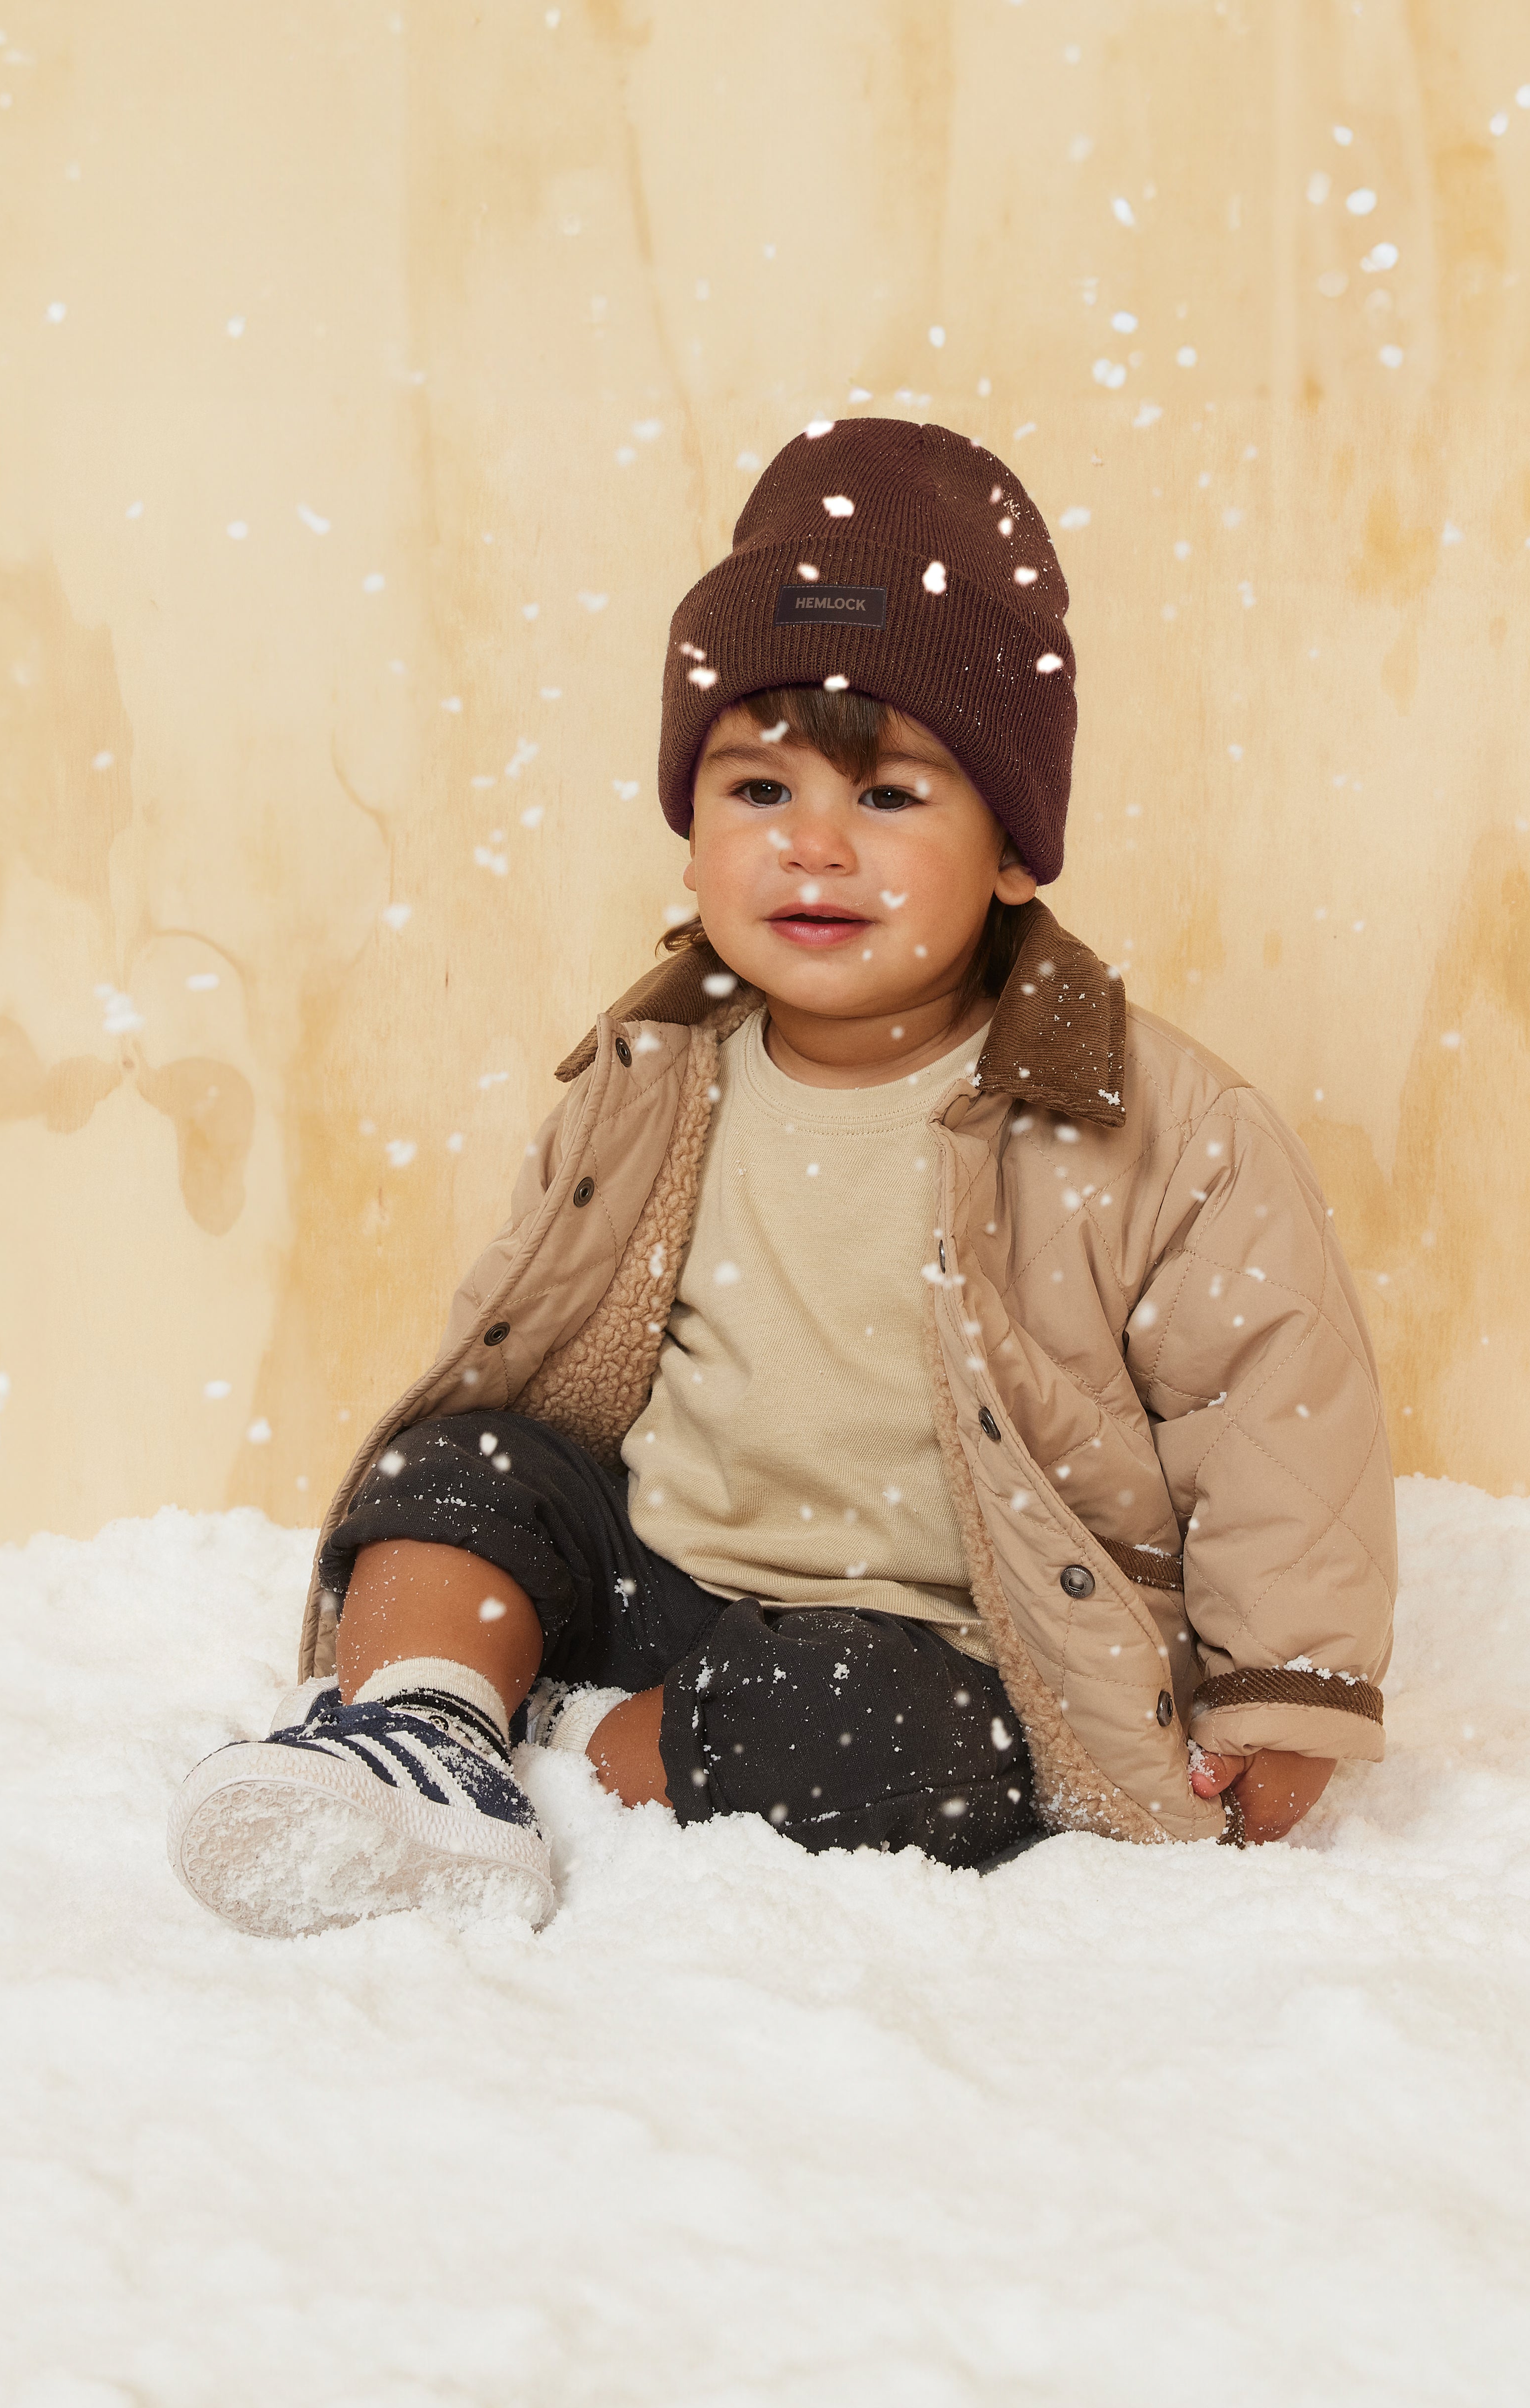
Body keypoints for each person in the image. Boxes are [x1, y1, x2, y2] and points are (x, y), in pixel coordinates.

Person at [168, 418, 1398, 1939]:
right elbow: (527, 1324)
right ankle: (422, 1722)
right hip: (664, 1572)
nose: (814, 847)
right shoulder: (648, 1070)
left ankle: (545, 1766)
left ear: (1014, 848)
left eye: (888, 799)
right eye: (758, 792)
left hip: (951, 1631)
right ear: (689, 833)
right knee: (462, 1465)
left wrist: (1288, 1692)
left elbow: (1273, 1413)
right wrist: (488, 1518)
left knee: (879, 1730)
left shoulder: (1148, 1118)